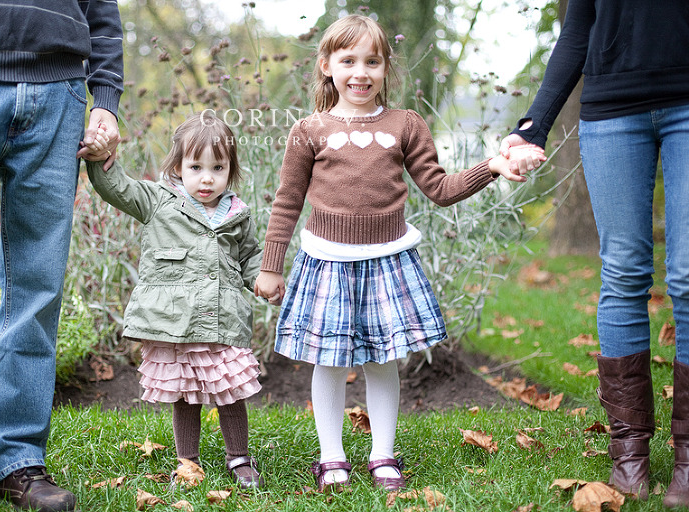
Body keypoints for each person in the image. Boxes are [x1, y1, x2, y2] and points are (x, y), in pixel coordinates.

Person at [254, 14, 544, 492]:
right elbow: (287, 201)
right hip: (327, 261)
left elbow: (440, 188)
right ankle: (331, 458)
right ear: (327, 66)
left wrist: (492, 166)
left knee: (382, 361)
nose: (360, 72)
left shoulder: (405, 125)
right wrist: (270, 266)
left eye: (373, 61)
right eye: (348, 60)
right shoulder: (309, 129)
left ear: (386, 67)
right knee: (328, 361)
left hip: (388, 260)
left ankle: (382, 455)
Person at [0, 1, 123, 511]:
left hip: (59, 91)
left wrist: (105, 97)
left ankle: (17, 458)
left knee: (39, 287)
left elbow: (100, 6)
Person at [499, 1, 689, 506]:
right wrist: (532, 125)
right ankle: (629, 454)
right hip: (611, 111)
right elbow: (579, 25)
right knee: (624, 271)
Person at [85, 113, 266, 490]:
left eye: (218, 167)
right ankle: (188, 461)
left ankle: (240, 458)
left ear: (230, 170)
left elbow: (250, 257)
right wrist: (98, 160)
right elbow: (116, 188)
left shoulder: (237, 213)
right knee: (186, 393)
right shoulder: (158, 200)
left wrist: (264, 279)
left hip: (221, 320)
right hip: (176, 322)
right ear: (178, 166)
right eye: (196, 166)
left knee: (228, 389)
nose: (206, 177)